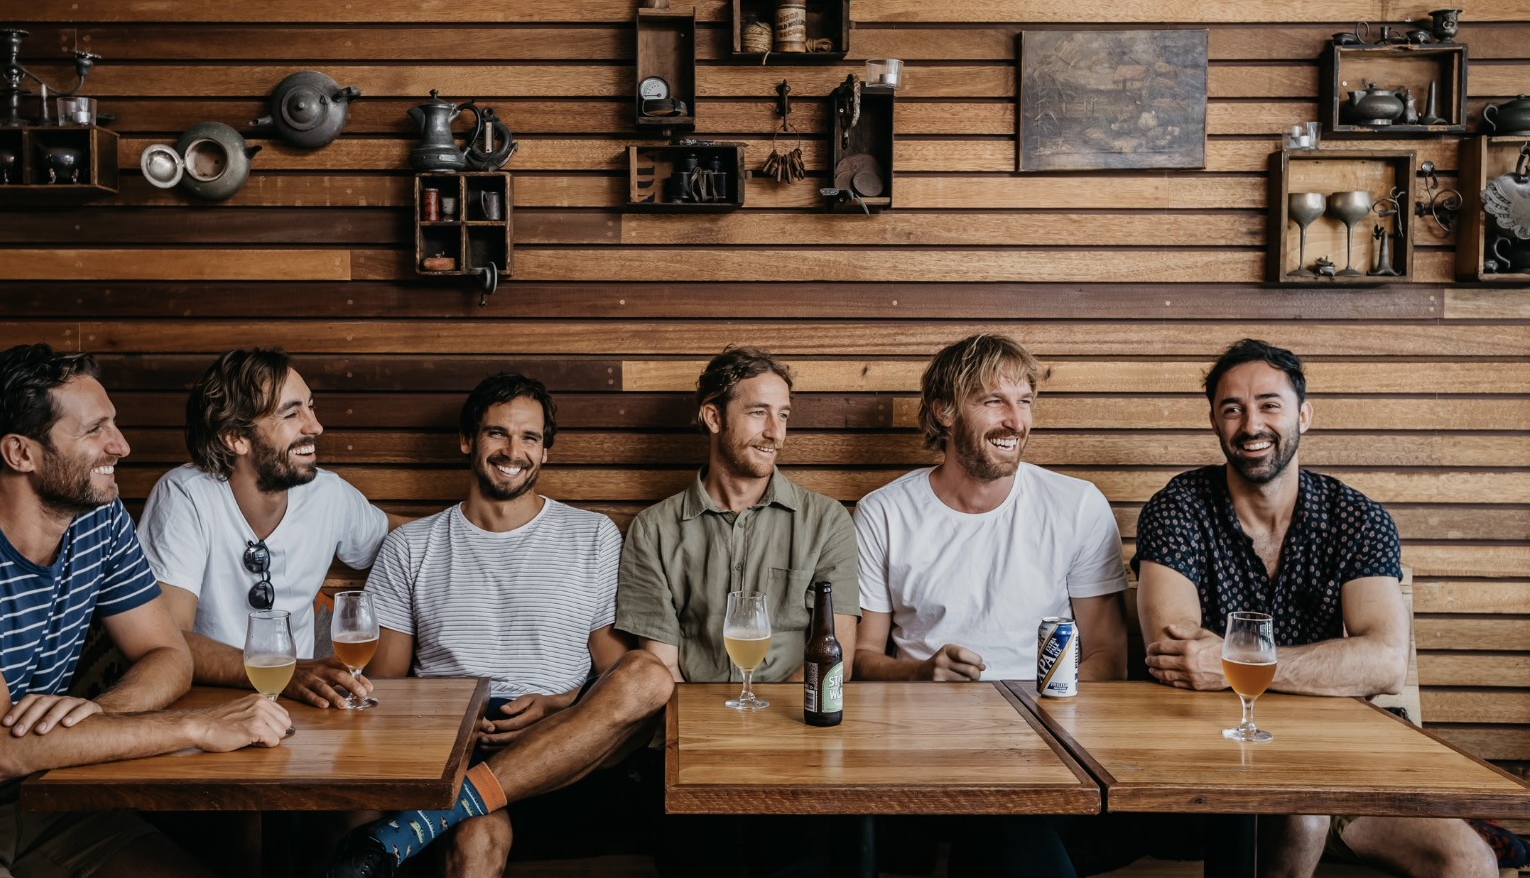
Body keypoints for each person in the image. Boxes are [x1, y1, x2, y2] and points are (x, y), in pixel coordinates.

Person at [0, 344, 290, 878]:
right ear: (20, 453)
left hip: (34, 796)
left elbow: (167, 652)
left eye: (114, 424)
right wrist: (196, 728)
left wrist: (100, 714)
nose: (121, 445)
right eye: (95, 430)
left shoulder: (98, 520)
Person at [1135, 339, 1496, 878]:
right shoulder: (1178, 509)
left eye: (1269, 404)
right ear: (1214, 422)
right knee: (1300, 817)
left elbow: (1386, 663)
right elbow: (1177, 654)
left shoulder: (1357, 518)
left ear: (1303, 415)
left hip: (1343, 757)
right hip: (1213, 759)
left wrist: (1238, 665)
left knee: (1468, 862)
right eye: (1232, 408)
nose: (1251, 424)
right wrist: (1330, 666)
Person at [328, 372, 673, 878]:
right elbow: (384, 686)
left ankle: (425, 821)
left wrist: (559, 704)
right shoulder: (411, 546)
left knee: (649, 675)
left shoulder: (592, 534)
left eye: (530, 437)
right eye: (497, 433)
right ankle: (454, 806)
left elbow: (614, 675)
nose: (514, 450)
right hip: (450, 744)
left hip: (561, 743)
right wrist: (456, 719)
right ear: (467, 440)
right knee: (477, 835)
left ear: (545, 451)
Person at [852, 333, 1128, 878]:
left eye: (1024, 401)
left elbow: (1108, 657)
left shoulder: (1076, 505)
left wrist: (1035, 717)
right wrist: (921, 674)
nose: (1015, 420)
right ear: (944, 412)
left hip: (1049, 746)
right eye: (993, 401)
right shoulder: (884, 512)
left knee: (1013, 828)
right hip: (920, 749)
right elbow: (860, 657)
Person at [139, 348, 404, 709]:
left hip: (300, 705)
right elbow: (168, 640)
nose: (315, 426)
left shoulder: (328, 493)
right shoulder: (184, 496)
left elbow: (408, 537)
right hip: (207, 705)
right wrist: (287, 672)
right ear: (236, 437)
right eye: (291, 413)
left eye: (311, 407)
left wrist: (479, 520)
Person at [617, 346, 859, 685]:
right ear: (714, 418)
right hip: (693, 713)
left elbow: (834, 662)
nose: (776, 433)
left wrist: (768, 717)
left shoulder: (827, 522)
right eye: (759, 412)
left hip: (792, 714)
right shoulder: (653, 530)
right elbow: (663, 668)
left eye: (783, 415)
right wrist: (710, 719)